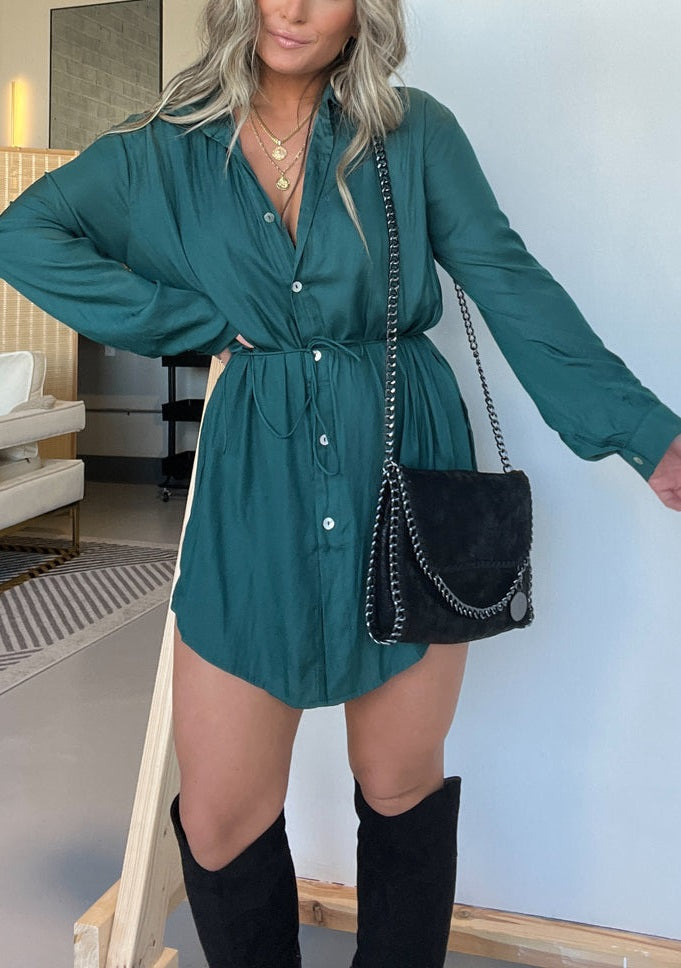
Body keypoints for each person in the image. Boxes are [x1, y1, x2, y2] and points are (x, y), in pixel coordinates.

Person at [1, 1, 680, 966]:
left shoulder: (415, 132)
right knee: (221, 816)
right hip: (256, 481)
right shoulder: (165, 147)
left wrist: (646, 435)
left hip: (403, 464)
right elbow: (24, 234)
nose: (292, 8)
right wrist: (193, 322)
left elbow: (507, 280)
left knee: (399, 785)